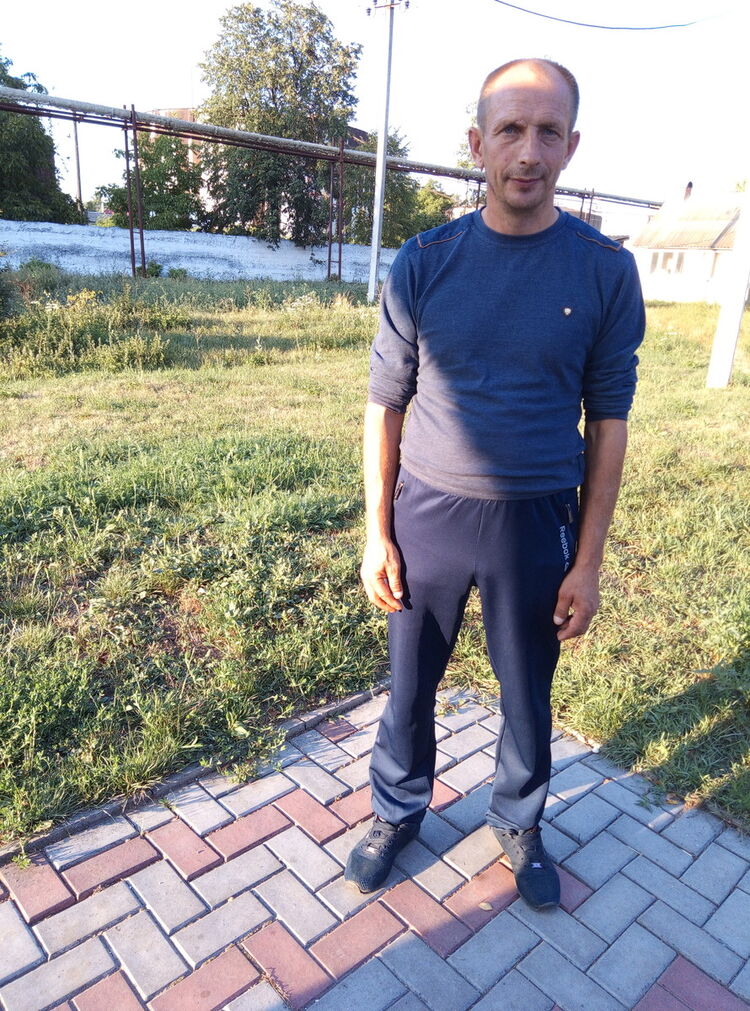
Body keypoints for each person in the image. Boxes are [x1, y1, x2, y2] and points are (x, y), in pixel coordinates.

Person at [345, 58, 645, 910]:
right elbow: (385, 404)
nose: (528, 151)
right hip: (428, 512)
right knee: (411, 684)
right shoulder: (424, 262)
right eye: (510, 129)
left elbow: (609, 422)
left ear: (572, 146)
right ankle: (397, 809)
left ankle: (518, 818)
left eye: (548, 131)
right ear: (476, 144)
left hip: (538, 521)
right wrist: (377, 529)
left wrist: (588, 562)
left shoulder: (603, 271)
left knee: (527, 689)